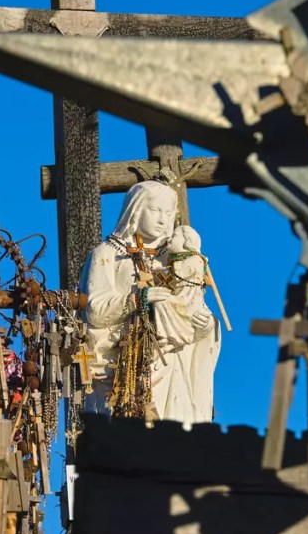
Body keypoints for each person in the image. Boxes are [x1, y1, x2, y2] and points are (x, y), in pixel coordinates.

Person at [79, 180, 221, 425]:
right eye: (155, 210)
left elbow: (192, 306)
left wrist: (205, 325)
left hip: (171, 361)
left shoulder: (176, 259)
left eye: (168, 213)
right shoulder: (107, 254)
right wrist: (139, 299)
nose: (163, 219)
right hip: (123, 363)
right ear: (135, 210)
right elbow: (95, 310)